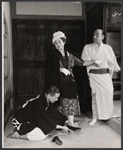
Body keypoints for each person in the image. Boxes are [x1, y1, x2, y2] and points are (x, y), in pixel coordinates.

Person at [45, 31, 96, 129]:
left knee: (71, 100)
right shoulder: (53, 55)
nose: (58, 45)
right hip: (58, 81)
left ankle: (70, 121)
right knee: (61, 101)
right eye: (55, 43)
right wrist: (60, 69)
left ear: (64, 42)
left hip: (70, 81)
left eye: (59, 42)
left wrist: (93, 62)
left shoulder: (69, 54)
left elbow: (81, 63)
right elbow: (49, 69)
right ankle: (66, 122)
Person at [81, 29, 121, 125]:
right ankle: (95, 117)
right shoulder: (87, 47)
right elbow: (84, 62)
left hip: (105, 75)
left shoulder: (108, 48)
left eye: (97, 35)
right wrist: (93, 63)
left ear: (102, 37)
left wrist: (110, 73)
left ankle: (109, 113)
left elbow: (112, 63)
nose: (95, 36)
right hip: (94, 75)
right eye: (94, 35)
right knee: (96, 95)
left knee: (109, 92)